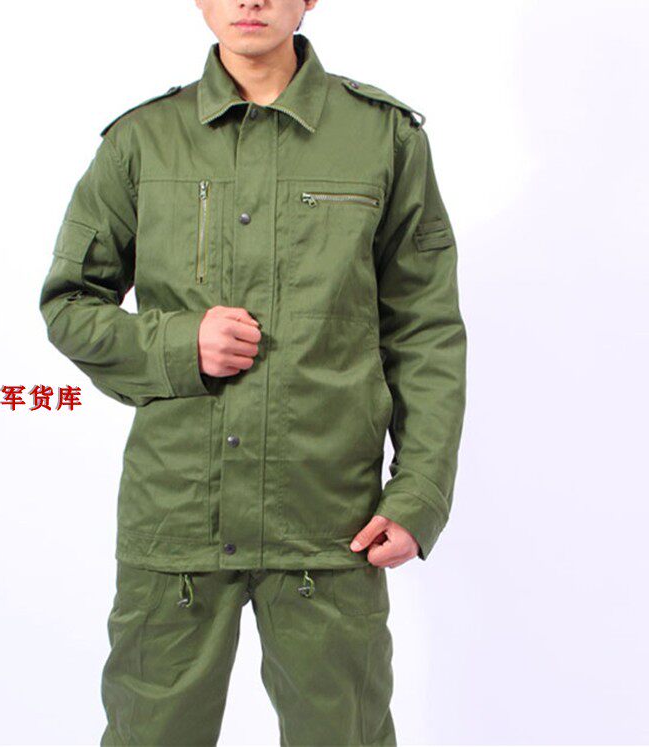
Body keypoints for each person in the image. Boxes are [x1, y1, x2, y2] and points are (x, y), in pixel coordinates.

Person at [39, 1, 467, 744]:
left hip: (329, 519)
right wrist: (181, 345)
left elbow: (425, 329)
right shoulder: (143, 140)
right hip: (178, 513)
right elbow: (69, 303)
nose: (250, 1)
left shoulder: (383, 137)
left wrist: (420, 491)